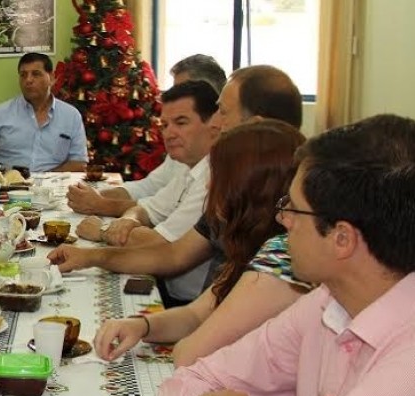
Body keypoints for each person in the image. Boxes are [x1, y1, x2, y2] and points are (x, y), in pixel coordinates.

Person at [157, 114, 415, 396]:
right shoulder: (329, 303)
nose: (281, 220)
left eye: (293, 209)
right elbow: (189, 379)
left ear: (342, 239)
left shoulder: (404, 383)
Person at [50, 65, 303, 304]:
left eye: (223, 112)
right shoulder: (235, 182)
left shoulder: (280, 221)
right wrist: (90, 256)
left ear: (255, 125)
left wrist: (103, 232)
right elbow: (175, 255)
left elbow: (172, 257)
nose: (215, 123)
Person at [93, 121, 307, 368]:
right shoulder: (248, 240)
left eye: (218, 176)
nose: (207, 185)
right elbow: (195, 314)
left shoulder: (277, 263)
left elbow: (187, 354)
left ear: (249, 188)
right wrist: (142, 325)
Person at [74, 80, 220, 304]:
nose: (169, 133)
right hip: (165, 286)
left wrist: (103, 231)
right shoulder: (187, 166)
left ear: (215, 125)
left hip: (186, 302)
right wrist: (130, 219)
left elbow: (161, 246)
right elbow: (146, 209)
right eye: (165, 125)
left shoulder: (213, 176)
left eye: (181, 122)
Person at [68, 53, 227, 216]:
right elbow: (152, 191)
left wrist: (101, 205)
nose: (169, 133)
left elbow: (169, 218)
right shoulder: (187, 153)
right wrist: (97, 196)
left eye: (181, 122)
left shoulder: (219, 164)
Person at [0, 52, 88, 173]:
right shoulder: (0, 113)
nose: (28, 80)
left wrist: (46, 177)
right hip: (10, 182)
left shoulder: (71, 116)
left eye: (36, 74)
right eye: (23, 75)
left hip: (54, 182)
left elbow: (79, 163)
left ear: (52, 78)